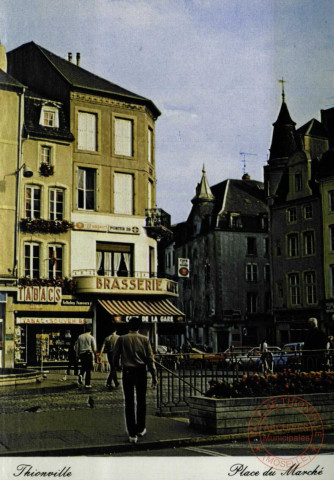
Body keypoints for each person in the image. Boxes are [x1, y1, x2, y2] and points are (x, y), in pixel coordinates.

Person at [113, 317, 158, 444]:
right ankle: (141, 428)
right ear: (139, 327)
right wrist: (154, 376)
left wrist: (117, 367)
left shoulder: (122, 339)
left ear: (128, 326)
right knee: (141, 400)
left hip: (127, 371)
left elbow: (115, 356)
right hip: (141, 371)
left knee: (129, 402)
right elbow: (150, 359)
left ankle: (132, 434)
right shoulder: (145, 339)